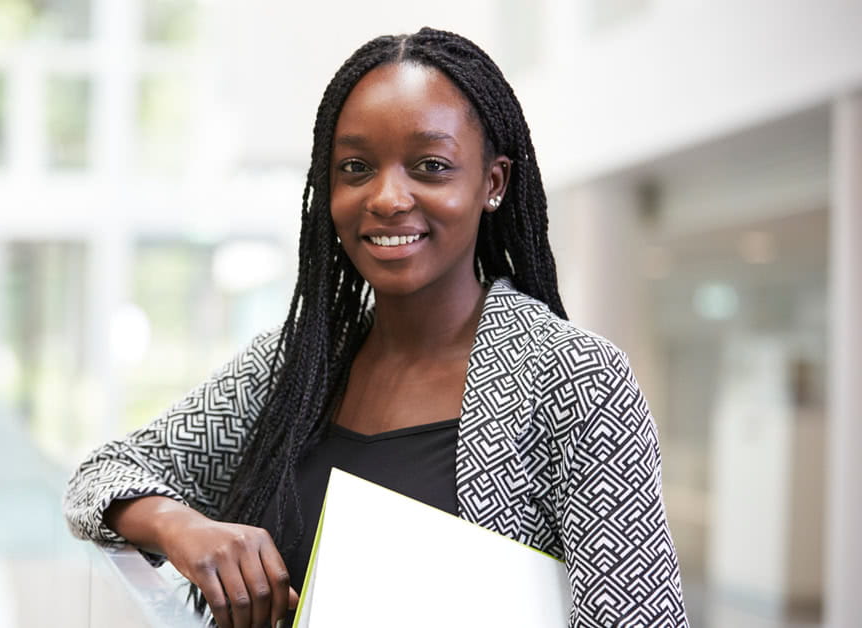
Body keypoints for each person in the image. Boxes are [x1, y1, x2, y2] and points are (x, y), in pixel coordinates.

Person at [64, 27, 687, 628]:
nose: (386, 197)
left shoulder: (575, 379)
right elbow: (101, 476)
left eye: (430, 166)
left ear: (492, 183)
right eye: (356, 168)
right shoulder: (295, 367)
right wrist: (182, 527)